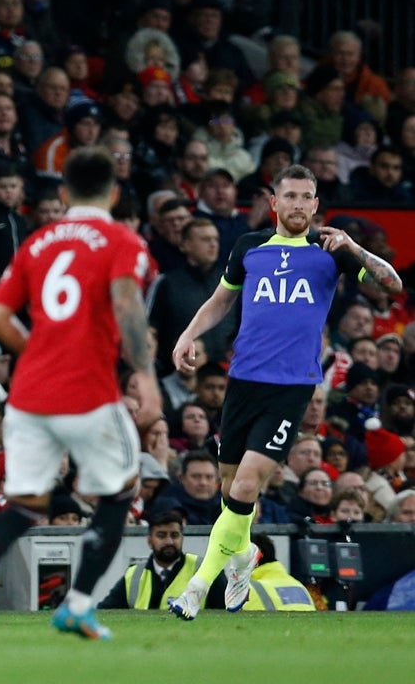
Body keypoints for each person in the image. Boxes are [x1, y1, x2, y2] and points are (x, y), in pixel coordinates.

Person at [0, 147, 159, 641]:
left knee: (26, 505)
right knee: (121, 490)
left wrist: (38, 350)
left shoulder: (37, 243)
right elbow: (125, 302)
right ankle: (77, 604)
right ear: (114, 193)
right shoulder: (123, 240)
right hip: (90, 393)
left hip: (29, 395)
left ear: (62, 193)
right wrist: (145, 375)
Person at [167, 165, 402, 621]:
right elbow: (222, 299)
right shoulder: (249, 247)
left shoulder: (331, 251)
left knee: (248, 485)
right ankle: (241, 559)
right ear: (274, 203)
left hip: (291, 387)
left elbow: (391, 286)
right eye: (289, 196)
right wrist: (187, 335)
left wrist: (354, 246)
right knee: (230, 489)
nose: (297, 204)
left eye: (306, 197)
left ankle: (197, 588)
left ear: (316, 205)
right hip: (243, 382)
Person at [98, 511, 226, 610]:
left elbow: (226, 612)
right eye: (161, 535)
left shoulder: (205, 569)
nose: (169, 541)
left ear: (182, 538)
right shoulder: (134, 576)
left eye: (174, 535)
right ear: (149, 540)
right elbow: (106, 613)